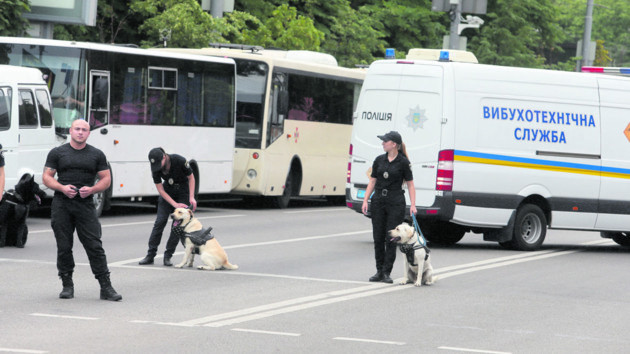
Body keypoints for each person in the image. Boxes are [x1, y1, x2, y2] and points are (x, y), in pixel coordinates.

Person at [43, 119, 122, 301]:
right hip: (62, 204)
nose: (80, 132)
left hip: (85, 205)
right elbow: (47, 177)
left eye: (84, 130)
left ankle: (106, 287)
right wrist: (62, 188)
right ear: (71, 131)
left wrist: (92, 190)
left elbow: (106, 179)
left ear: (88, 133)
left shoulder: (96, 154)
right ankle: (67, 285)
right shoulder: (57, 153)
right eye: (77, 129)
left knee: (94, 246)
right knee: (64, 247)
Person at [362, 131, 416, 283]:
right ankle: (379, 270)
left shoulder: (403, 162)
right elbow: (372, 181)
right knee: (378, 237)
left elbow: (411, 185)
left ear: (394, 144)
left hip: (395, 202)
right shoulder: (379, 160)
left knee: (391, 237)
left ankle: (387, 272)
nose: (382, 143)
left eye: (385, 141)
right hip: (378, 200)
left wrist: (413, 205)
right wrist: (366, 200)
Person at [138, 147, 197, 266]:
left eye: (160, 163)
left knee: (176, 225)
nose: (158, 167)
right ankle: (150, 255)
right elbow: (160, 189)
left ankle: (168, 256)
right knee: (160, 222)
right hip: (167, 192)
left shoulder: (179, 160)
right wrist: (174, 204)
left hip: (182, 192)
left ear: (164, 157)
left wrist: (191, 197)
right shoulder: (155, 167)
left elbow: (191, 177)